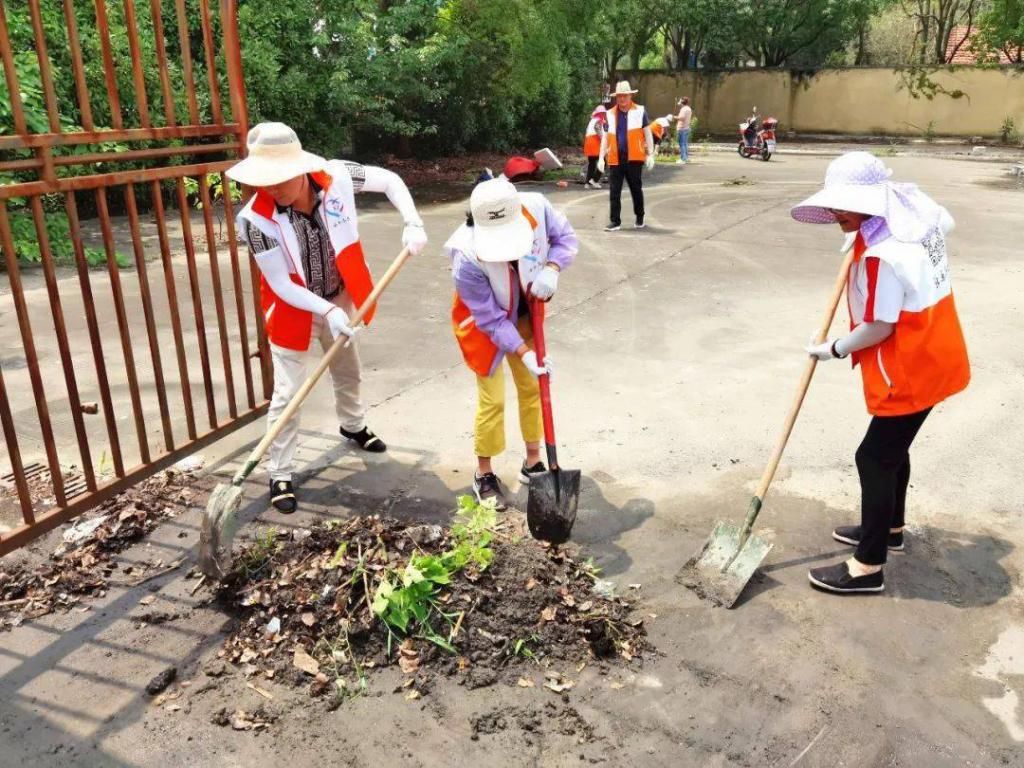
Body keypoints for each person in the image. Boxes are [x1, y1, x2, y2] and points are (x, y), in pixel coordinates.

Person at [791, 152, 970, 595]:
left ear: (867, 202)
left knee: (873, 457)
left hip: (912, 366)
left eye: (841, 204)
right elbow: (942, 221)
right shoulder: (913, 213)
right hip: (937, 349)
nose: (833, 212)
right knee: (892, 451)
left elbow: (879, 326)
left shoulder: (885, 256)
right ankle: (890, 528)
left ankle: (868, 567)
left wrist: (832, 348)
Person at [226, 122, 428, 513]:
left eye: (280, 177)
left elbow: (389, 180)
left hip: (341, 292)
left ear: (300, 166)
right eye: (264, 180)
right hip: (293, 310)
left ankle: (353, 425)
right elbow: (282, 285)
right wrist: (328, 312)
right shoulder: (254, 221)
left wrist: (413, 220)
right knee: (288, 394)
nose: (273, 187)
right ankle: (280, 471)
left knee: (347, 368)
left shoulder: (336, 175)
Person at [444, 178, 578, 509]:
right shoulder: (466, 258)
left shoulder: (537, 209)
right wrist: (523, 351)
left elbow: (566, 239)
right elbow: (490, 319)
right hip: (482, 323)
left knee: (532, 387)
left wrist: (552, 268)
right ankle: (484, 473)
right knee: (493, 400)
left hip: (525, 313)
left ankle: (533, 461)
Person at [598, 80, 655, 232]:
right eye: (619, 96)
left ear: (630, 96)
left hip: (634, 158)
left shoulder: (640, 111)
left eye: (625, 96)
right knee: (614, 191)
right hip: (615, 158)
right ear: (616, 97)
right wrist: (600, 157)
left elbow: (647, 133)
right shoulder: (609, 114)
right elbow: (605, 136)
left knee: (636, 189)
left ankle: (640, 216)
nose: (622, 99)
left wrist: (650, 154)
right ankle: (615, 221)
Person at [583, 106, 607, 189]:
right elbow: (597, 129)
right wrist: (603, 139)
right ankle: (595, 180)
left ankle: (587, 183)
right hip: (595, 143)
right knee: (604, 162)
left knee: (592, 164)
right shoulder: (598, 120)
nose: (604, 114)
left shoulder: (592, 120)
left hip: (588, 143)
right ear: (600, 113)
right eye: (603, 113)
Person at [675, 97, 693, 164]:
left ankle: (683, 159)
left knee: (681, 144)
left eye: (680, 100)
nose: (679, 101)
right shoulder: (688, 108)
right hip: (686, 128)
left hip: (682, 128)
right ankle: (686, 158)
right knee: (685, 144)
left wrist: (674, 117)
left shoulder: (683, 109)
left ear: (682, 102)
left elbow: (682, 118)